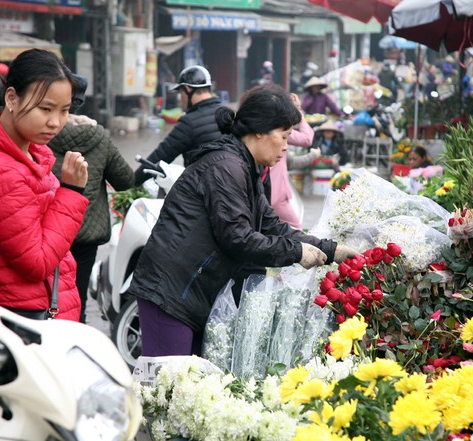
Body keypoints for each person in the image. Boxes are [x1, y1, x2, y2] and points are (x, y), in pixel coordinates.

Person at [128, 85, 356, 357]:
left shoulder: (245, 167)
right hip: (169, 291)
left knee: (183, 382)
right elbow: (238, 237)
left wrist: (331, 250)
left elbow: (272, 225)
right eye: (283, 136)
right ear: (260, 130)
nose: (286, 147)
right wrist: (296, 252)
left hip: (192, 291)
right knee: (165, 385)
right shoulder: (226, 167)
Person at [0, 49, 89, 321]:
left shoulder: (32, 155)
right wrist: (72, 192)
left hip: (39, 313)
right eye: (45, 109)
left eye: (64, 110)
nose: (56, 122)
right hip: (23, 321)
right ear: (11, 98)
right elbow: (36, 263)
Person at [48, 76, 135, 323]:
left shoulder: (39, 133)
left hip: (47, 231)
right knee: (77, 298)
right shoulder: (99, 137)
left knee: (43, 298)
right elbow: (125, 181)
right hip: (85, 233)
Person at [134, 65, 223, 186]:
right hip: (232, 187)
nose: (181, 99)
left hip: (202, 191)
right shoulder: (228, 114)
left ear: (188, 89)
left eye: (181, 93)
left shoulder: (189, 122)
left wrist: (132, 182)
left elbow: (161, 156)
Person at [269, 92, 319, 229]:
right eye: (295, 107)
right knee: (296, 228)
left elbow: (289, 162)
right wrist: (300, 115)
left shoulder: (274, 128)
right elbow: (307, 138)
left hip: (273, 194)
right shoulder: (278, 129)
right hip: (276, 196)